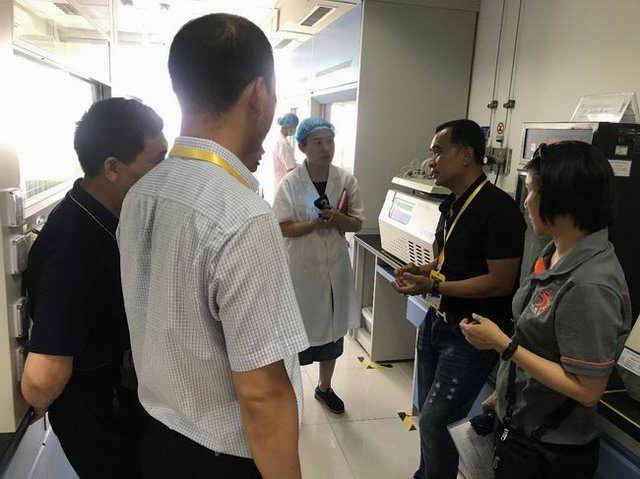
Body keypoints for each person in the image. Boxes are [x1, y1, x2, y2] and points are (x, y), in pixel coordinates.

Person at [117, 14, 309, 479]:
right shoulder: (242, 216)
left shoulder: (142, 191)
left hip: (157, 437)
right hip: (221, 459)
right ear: (259, 93)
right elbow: (262, 394)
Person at [460, 141, 631, 479]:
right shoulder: (554, 252)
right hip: (522, 424)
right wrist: (506, 391)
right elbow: (539, 340)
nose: (525, 200)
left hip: (551, 450)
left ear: (561, 199)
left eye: (532, 190)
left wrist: (503, 345)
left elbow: (587, 389)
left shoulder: (589, 285)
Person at [21, 97, 167, 478]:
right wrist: (37, 396)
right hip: (101, 417)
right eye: (157, 162)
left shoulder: (104, 216)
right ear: (113, 168)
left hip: (125, 400)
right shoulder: (73, 245)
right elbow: (41, 380)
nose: (166, 174)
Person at [393, 119, 525, 479]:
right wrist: (425, 271)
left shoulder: (498, 210)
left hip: (469, 335)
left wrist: (434, 287)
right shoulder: (452, 204)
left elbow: (500, 282)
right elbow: (454, 260)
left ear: (466, 155)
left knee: (436, 423)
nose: (430, 161)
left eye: (437, 151)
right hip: (437, 322)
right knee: (427, 414)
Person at [273, 117, 365, 414]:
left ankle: (324, 388)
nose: (326, 148)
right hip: (302, 269)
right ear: (302, 147)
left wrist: (336, 218)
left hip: (335, 266)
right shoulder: (291, 182)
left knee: (333, 331)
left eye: (330, 141)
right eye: (318, 142)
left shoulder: (346, 180)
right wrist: (313, 224)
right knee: (297, 331)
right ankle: (289, 394)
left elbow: (357, 224)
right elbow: (282, 226)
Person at [273, 112, 299, 188]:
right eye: (294, 127)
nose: (294, 129)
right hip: (284, 187)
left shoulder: (278, 140)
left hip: (279, 184)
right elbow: (291, 169)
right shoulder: (284, 144)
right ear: (288, 126)